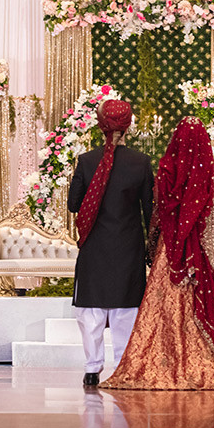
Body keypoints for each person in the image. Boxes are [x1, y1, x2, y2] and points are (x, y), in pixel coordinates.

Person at [100, 117, 214, 390]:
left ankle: (164, 367)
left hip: (171, 252)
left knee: (161, 312)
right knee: (210, 306)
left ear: (176, 140)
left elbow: (157, 215)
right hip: (204, 252)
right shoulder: (213, 172)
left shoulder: (166, 172)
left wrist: (152, 249)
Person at [67, 98, 154, 387]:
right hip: (128, 248)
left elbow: (73, 204)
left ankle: (92, 370)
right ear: (128, 126)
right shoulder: (140, 162)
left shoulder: (85, 161)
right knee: (124, 313)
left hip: (94, 247)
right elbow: (150, 211)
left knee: (91, 312)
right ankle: (121, 369)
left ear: (100, 124)